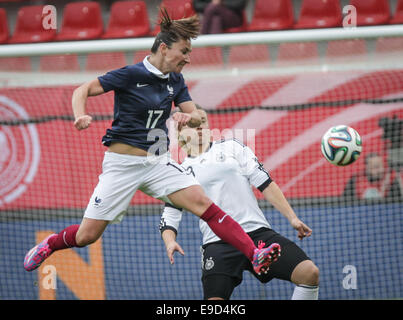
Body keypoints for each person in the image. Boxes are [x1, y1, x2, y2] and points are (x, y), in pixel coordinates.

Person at [23, 9, 280, 277]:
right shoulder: (131, 74)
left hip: (158, 162)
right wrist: (80, 115)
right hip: (122, 166)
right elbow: (82, 90)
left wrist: (189, 117)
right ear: (164, 48)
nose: (187, 59)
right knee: (88, 235)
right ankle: (50, 244)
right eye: (184, 51)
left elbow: (199, 116)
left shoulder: (176, 81)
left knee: (203, 204)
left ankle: (254, 254)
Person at [159, 106, 320, 300]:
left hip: (258, 234)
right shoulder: (180, 171)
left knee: (309, 273)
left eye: (203, 121)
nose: (199, 126)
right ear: (180, 133)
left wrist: (292, 218)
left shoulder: (233, 147)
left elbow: (265, 182)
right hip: (217, 243)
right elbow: (170, 214)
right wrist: (170, 241)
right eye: (192, 124)